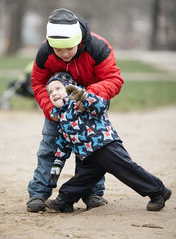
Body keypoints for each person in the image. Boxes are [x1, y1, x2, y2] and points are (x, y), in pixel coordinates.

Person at [27, 8, 124, 212]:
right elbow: (37, 82)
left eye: (68, 49)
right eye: (58, 50)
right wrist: (50, 108)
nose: (63, 55)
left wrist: (87, 95)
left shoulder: (98, 47)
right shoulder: (45, 51)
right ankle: (39, 193)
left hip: (89, 108)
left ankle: (93, 194)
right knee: (49, 150)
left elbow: (114, 79)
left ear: (78, 40)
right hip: (59, 111)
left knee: (93, 151)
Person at [45, 72, 172, 213]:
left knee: (127, 170)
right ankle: (65, 200)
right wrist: (57, 164)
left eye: (58, 88)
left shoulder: (81, 101)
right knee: (81, 180)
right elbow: (63, 142)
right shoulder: (60, 116)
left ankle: (158, 192)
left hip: (104, 146)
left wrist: (83, 96)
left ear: (70, 88)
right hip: (86, 155)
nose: (54, 93)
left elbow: (101, 106)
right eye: (50, 92)